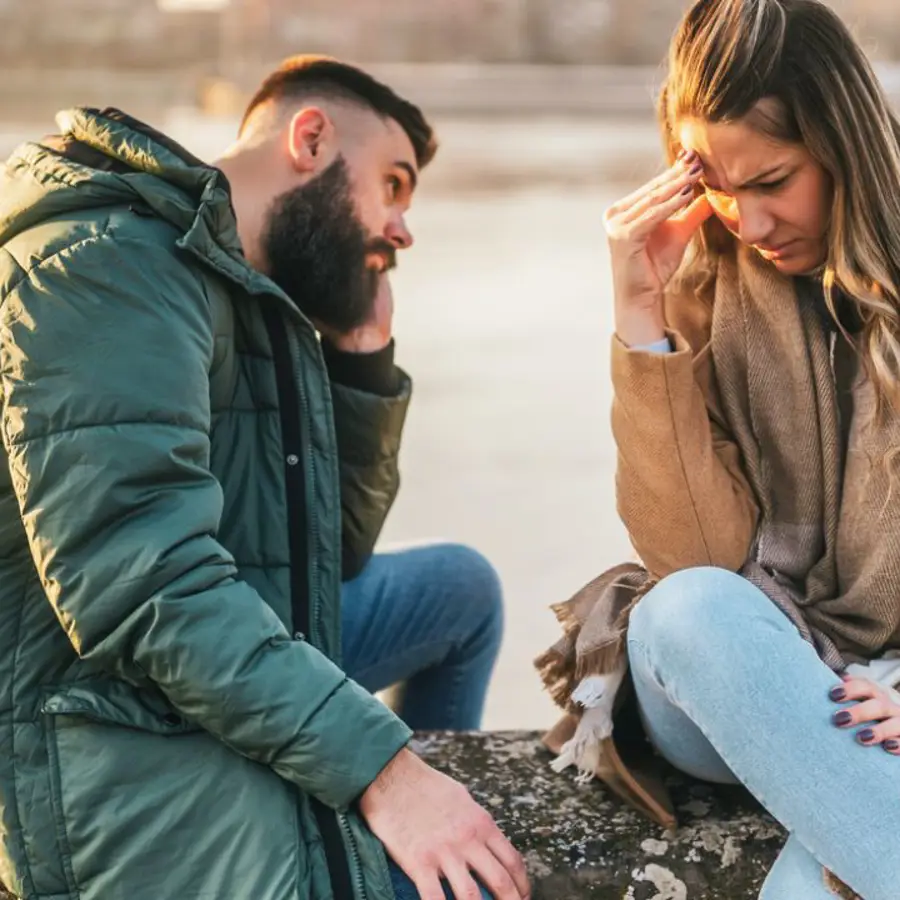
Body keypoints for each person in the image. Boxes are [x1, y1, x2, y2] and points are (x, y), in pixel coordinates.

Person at [0, 56, 528, 900]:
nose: (402, 229)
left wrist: (360, 368)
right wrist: (385, 775)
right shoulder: (108, 265)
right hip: (109, 719)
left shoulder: (240, 293)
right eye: (392, 186)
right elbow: (146, 590)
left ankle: (420, 837)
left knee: (461, 590)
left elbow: (326, 558)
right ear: (311, 139)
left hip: (198, 659)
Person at [537, 1, 900, 897]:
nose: (749, 221)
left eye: (773, 181)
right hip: (727, 686)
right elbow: (699, 559)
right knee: (686, 609)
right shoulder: (704, 286)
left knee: (819, 873)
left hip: (887, 692)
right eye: (722, 191)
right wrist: (641, 321)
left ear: (843, 144)